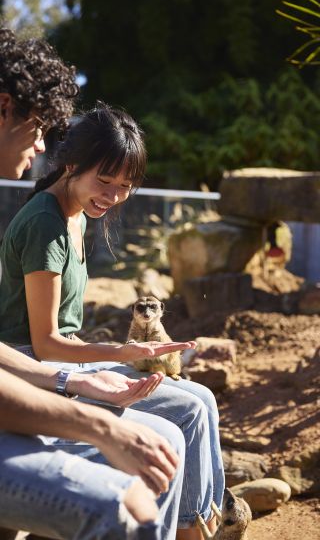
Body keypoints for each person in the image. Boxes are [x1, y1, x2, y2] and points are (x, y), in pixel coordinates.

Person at [0, 100, 225, 538]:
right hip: (34, 370)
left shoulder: (77, 214)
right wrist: (123, 353)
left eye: (125, 186)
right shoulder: (46, 223)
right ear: (71, 165)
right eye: (105, 181)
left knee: (202, 401)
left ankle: (205, 523)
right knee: (189, 414)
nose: (114, 196)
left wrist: (123, 356)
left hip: (66, 364)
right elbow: (46, 344)